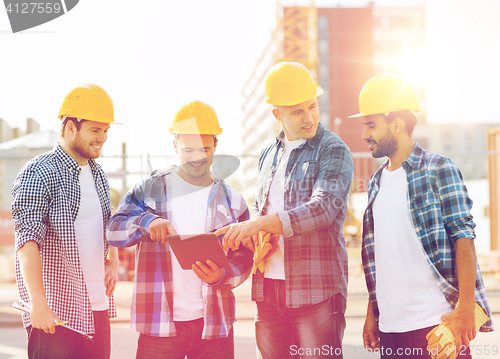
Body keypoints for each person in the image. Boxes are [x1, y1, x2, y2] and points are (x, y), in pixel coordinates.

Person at [349, 74, 493, 358]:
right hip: (391, 328)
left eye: (371, 125)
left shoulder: (439, 168)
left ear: (397, 123)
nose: (365, 135)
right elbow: (381, 255)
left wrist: (465, 307)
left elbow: (463, 237)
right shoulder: (376, 181)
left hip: (436, 324)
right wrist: (372, 313)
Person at [216, 61, 354, 359]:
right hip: (268, 291)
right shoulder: (268, 154)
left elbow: (323, 208)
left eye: (312, 107)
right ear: (277, 114)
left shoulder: (333, 149)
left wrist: (259, 224)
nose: (309, 118)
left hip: (315, 292)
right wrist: (248, 229)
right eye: (297, 112)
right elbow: (260, 207)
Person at [107, 100, 253, 359]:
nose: (197, 157)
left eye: (205, 149)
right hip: (159, 326)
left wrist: (223, 275)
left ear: (216, 146)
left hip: (214, 327)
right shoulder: (149, 190)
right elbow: (113, 231)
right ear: (175, 145)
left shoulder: (234, 201)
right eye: (189, 149)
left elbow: (245, 258)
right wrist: (146, 222)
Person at [12, 84, 120, 359]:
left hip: (97, 308)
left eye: (106, 130)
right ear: (70, 127)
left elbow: (105, 224)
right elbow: (26, 239)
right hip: (56, 313)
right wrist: (38, 304)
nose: (103, 138)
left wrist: (113, 258)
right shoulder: (39, 171)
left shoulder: (98, 174)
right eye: (95, 130)